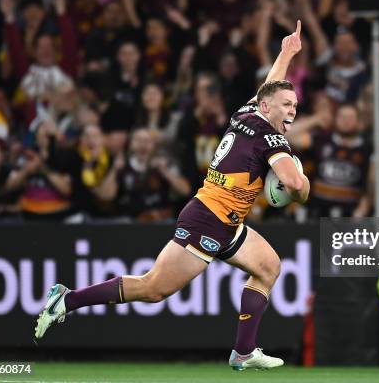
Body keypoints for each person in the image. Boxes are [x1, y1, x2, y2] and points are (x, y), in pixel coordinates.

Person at [35, 21, 310, 370]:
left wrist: (286, 53)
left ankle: (243, 351)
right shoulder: (272, 139)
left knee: (268, 267)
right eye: (287, 104)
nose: (292, 110)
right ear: (269, 108)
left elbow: (269, 90)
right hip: (208, 219)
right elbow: (296, 188)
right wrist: (302, 181)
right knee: (153, 288)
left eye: (296, 106)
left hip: (227, 219)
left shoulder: (248, 113)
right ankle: (68, 299)